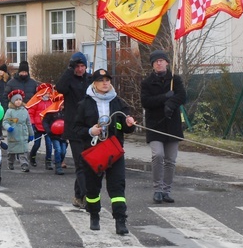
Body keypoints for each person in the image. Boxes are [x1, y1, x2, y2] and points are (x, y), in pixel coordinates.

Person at [73, 69, 136, 234]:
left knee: (117, 186)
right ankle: (94, 215)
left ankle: (120, 220)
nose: (105, 83)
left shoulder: (118, 102)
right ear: (94, 83)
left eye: (107, 80)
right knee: (92, 187)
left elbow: (127, 127)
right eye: (101, 80)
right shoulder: (84, 104)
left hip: (114, 150)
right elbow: (75, 129)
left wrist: (130, 124)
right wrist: (89, 131)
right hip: (93, 151)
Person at [141, 49, 187, 204]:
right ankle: (157, 189)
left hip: (172, 125)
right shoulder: (147, 83)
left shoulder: (175, 79)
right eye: (156, 61)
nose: (159, 63)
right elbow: (146, 102)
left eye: (161, 60)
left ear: (167, 62)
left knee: (170, 160)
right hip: (155, 125)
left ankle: (166, 190)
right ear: (152, 65)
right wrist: (164, 99)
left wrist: (170, 104)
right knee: (158, 155)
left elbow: (182, 96)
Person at [55, 51, 90, 208]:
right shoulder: (69, 80)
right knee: (80, 164)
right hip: (74, 127)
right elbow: (60, 87)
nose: (80, 69)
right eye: (77, 66)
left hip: (89, 127)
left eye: (83, 66)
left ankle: (78, 195)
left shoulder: (90, 80)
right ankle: (88, 197)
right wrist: (69, 71)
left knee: (89, 163)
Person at [2, 91, 33, 172]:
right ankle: (10, 162)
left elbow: (28, 123)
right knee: (12, 151)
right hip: (13, 134)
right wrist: (8, 127)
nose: (18, 101)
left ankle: (24, 164)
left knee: (23, 150)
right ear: (12, 101)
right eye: (16, 100)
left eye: (20, 99)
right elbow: (5, 122)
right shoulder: (10, 111)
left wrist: (31, 133)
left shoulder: (25, 110)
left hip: (23, 133)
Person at [26, 83, 54, 169]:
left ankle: (48, 161)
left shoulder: (51, 102)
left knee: (49, 145)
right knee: (37, 144)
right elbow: (30, 114)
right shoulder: (36, 102)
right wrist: (33, 124)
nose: (48, 95)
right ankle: (32, 157)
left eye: (49, 93)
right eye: (46, 93)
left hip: (47, 127)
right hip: (37, 127)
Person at [42, 95, 66, 175]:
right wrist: (48, 131)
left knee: (63, 151)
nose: (63, 106)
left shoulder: (66, 112)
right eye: (61, 104)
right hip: (54, 135)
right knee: (58, 149)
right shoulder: (51, 113)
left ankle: (58, 161)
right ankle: (58, 166)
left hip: (63, 135)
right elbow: (45, 122)